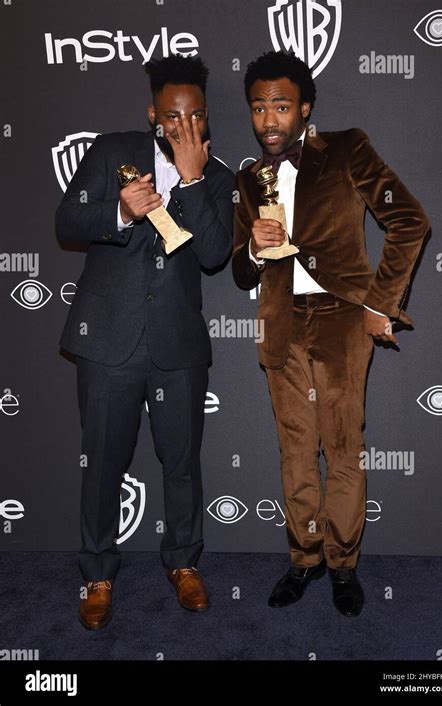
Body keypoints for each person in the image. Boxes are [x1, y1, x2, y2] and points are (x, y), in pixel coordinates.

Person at [232, 51, 430, 617]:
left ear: (305, 108)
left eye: (282, 105)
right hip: (280, 324)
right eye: (259, 107)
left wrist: (379, 302)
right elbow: (241, 270)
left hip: (342, 321)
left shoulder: (346, 149)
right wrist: (253, 246)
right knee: (295, 451)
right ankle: (304, 558)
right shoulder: (248, 179)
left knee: (342, 449)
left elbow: (409, 220)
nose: (270, 119)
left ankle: (343, 565)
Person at [56, 55, 234, 629]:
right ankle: (98, 576)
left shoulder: (219, 176)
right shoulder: (111, 152)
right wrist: (121, 211)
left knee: (181, 464)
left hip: (177, 346)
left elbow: (211, 255)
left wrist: (192, 179)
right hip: (109, 341)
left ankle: (183, 565)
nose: (183, 126)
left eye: (195, 116)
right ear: (152, 112)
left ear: (205, 117)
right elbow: (67, 222)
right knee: (103, 464)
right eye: (172, 115)